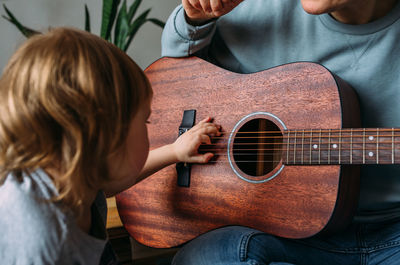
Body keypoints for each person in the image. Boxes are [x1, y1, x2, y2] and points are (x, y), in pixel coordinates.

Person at [161, 0, 400, 264]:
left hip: (394, 231)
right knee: (209, 257)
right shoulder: (257, 9)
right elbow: (173, 79)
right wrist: (195, 18)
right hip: (284, 236)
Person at [0, 27, 221, 265]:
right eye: (145, 120)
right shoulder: (41, 240)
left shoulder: (74, 179)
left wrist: (175, 151)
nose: (149, 128)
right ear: (105, 132)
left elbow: (115, 180)